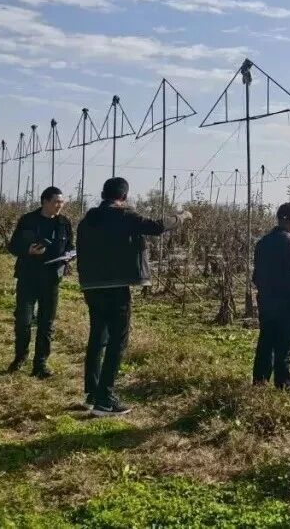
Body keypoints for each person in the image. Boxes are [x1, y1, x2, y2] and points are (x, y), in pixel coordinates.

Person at [76, 177, 191, 416]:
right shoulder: (123, 215)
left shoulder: (88, 220)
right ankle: (105, 400)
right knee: (117, 341)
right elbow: (157, 226)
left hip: (91, 286)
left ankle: (93, 393)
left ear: (103, 194)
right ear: (124, 196)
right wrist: (181, 216)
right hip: (116, 287)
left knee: (97, 338)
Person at [6, 186, 74, 378]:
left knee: (46, 324)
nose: (60, 205)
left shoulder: (64, 223)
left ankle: (40, 364)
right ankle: (20, 356)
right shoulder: (28, 220)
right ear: (45, 202)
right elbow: (13, 246)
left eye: (62, 202)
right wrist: (28, 250)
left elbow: (70, 246)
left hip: (52, 279)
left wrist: (70, 256)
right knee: (23, 320)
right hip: (28, 277)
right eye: (56, 202)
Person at [252, 202, 290, 390]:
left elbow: (256, 277)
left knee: (266, 342)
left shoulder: (262, 243)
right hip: (288, 303)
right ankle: (284, 386)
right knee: (285, 346)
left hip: (266, 302)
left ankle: (260, 383)